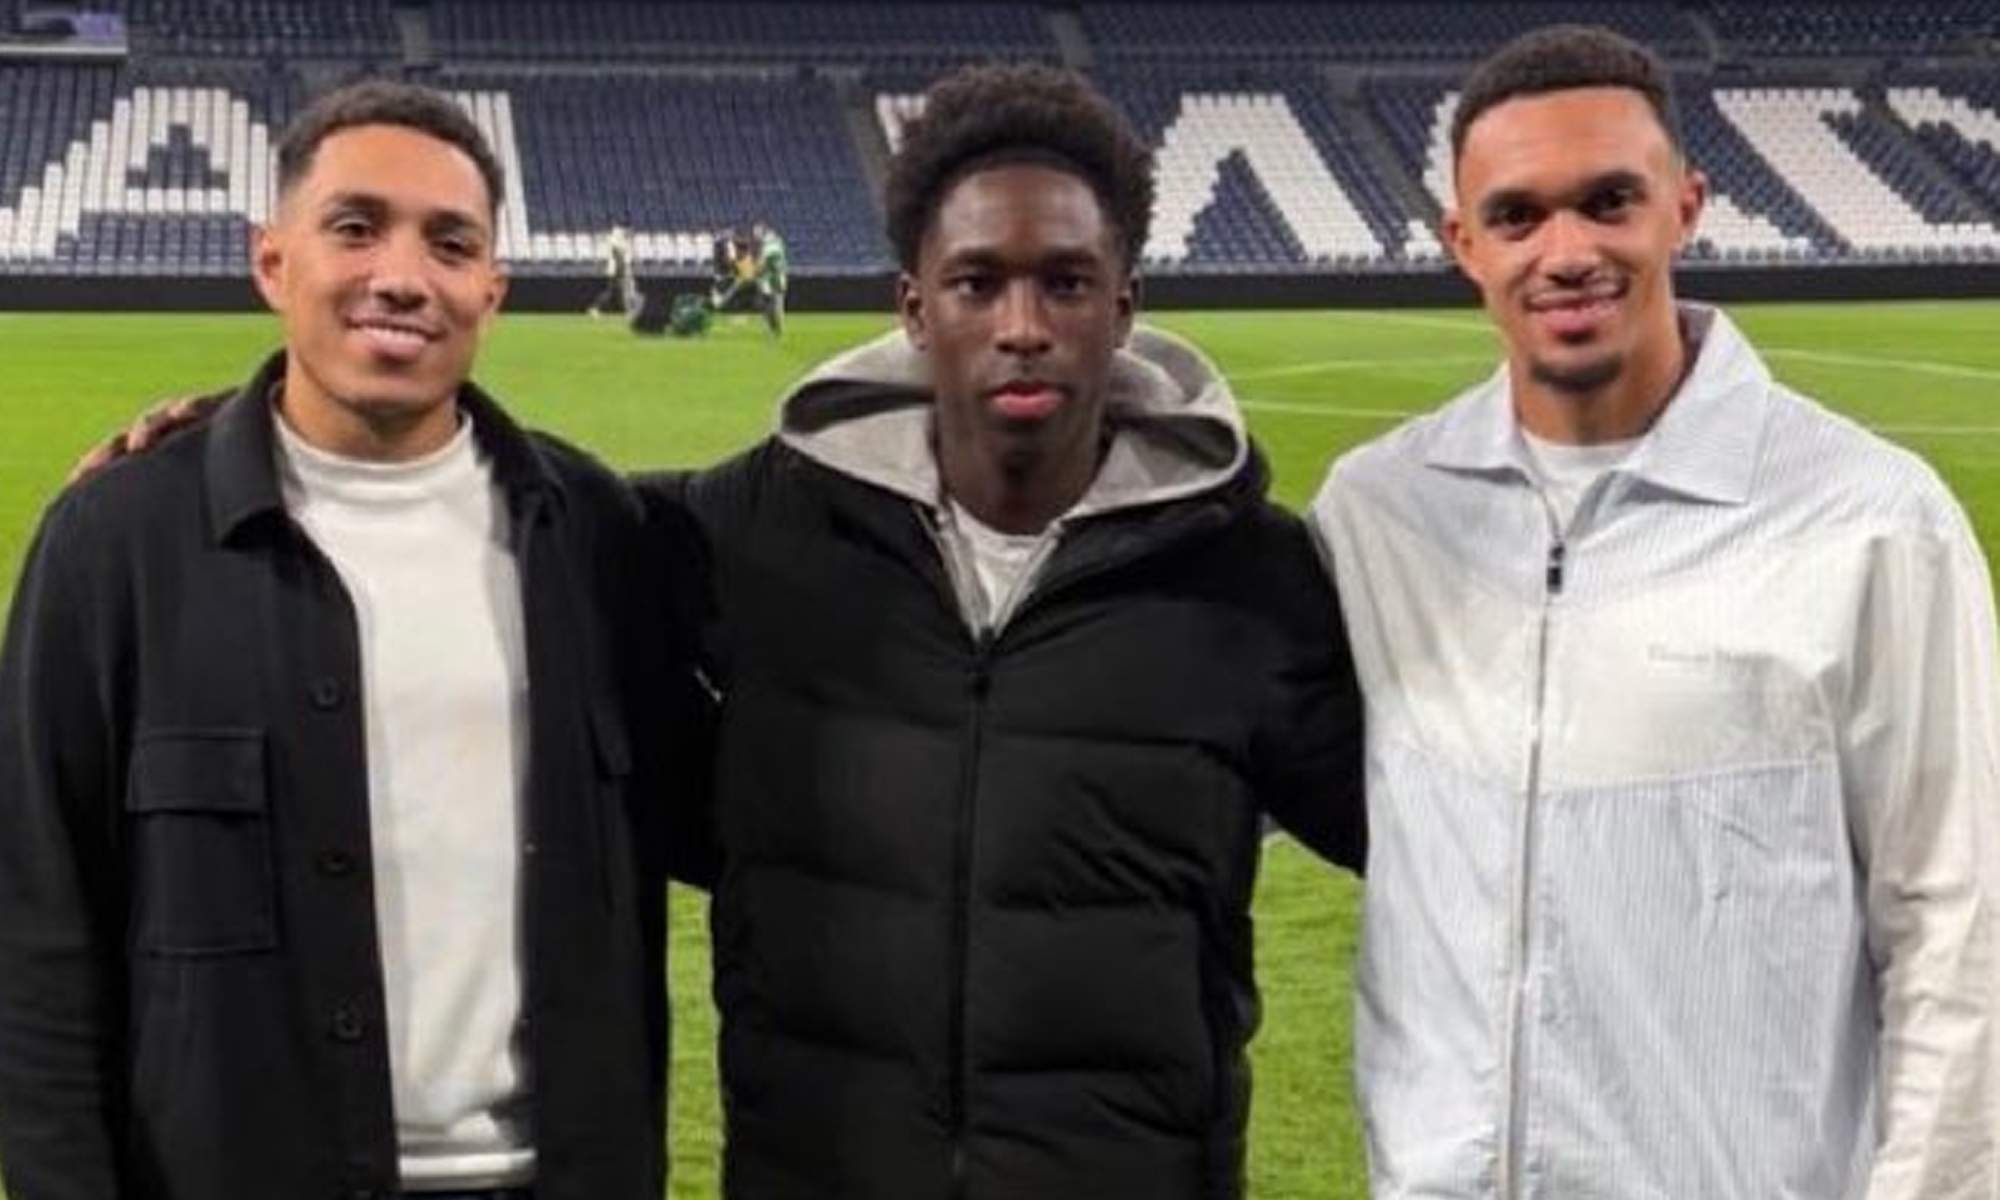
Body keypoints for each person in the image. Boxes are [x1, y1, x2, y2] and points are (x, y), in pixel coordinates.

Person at [648, 64, 1365, 1198]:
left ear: (1123, 307)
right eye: (977, 283)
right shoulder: (756, 526)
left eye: (1065, 283)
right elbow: (514, 540)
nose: (1021, 327)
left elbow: (1438, 835)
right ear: (913, 306)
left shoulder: (1252, 578)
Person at [1310, 25, 1999, 1198]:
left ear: (1683, 207)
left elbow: (1957, 925)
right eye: (1519, 216)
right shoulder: (1378, 514)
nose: (1565, 250)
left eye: (1608, 201)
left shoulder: (1871, 523)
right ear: (1459, 244)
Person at [0, 80, 710, 1200]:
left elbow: (736, 816)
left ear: (492, 286)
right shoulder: (114, 545)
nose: (400, 275)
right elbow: (39, 927)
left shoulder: (594, 536)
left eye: (449, 241)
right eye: (354, 227)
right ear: (273, 261)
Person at [585, 222, 641, 319]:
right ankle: (595, 309)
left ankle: (595, 309)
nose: (631, 233)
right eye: (630, 231)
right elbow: (617, 254)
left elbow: (627, 256)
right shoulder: (616, 239)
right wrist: (622, 270)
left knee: (614, 292)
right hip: (616, 270)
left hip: (620, 270)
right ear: (626, 229)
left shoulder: (624, 240)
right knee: (617, 292)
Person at [749, 220, 787, 337]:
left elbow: (763, 264)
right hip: (773, 279)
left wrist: (755, 272)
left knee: (771, 305)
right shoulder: (775, 242)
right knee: (770, 305)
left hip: (772, 280)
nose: (756, 236)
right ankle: (774, 329)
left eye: (757, 233)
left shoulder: (770, 244)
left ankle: (775, 329)